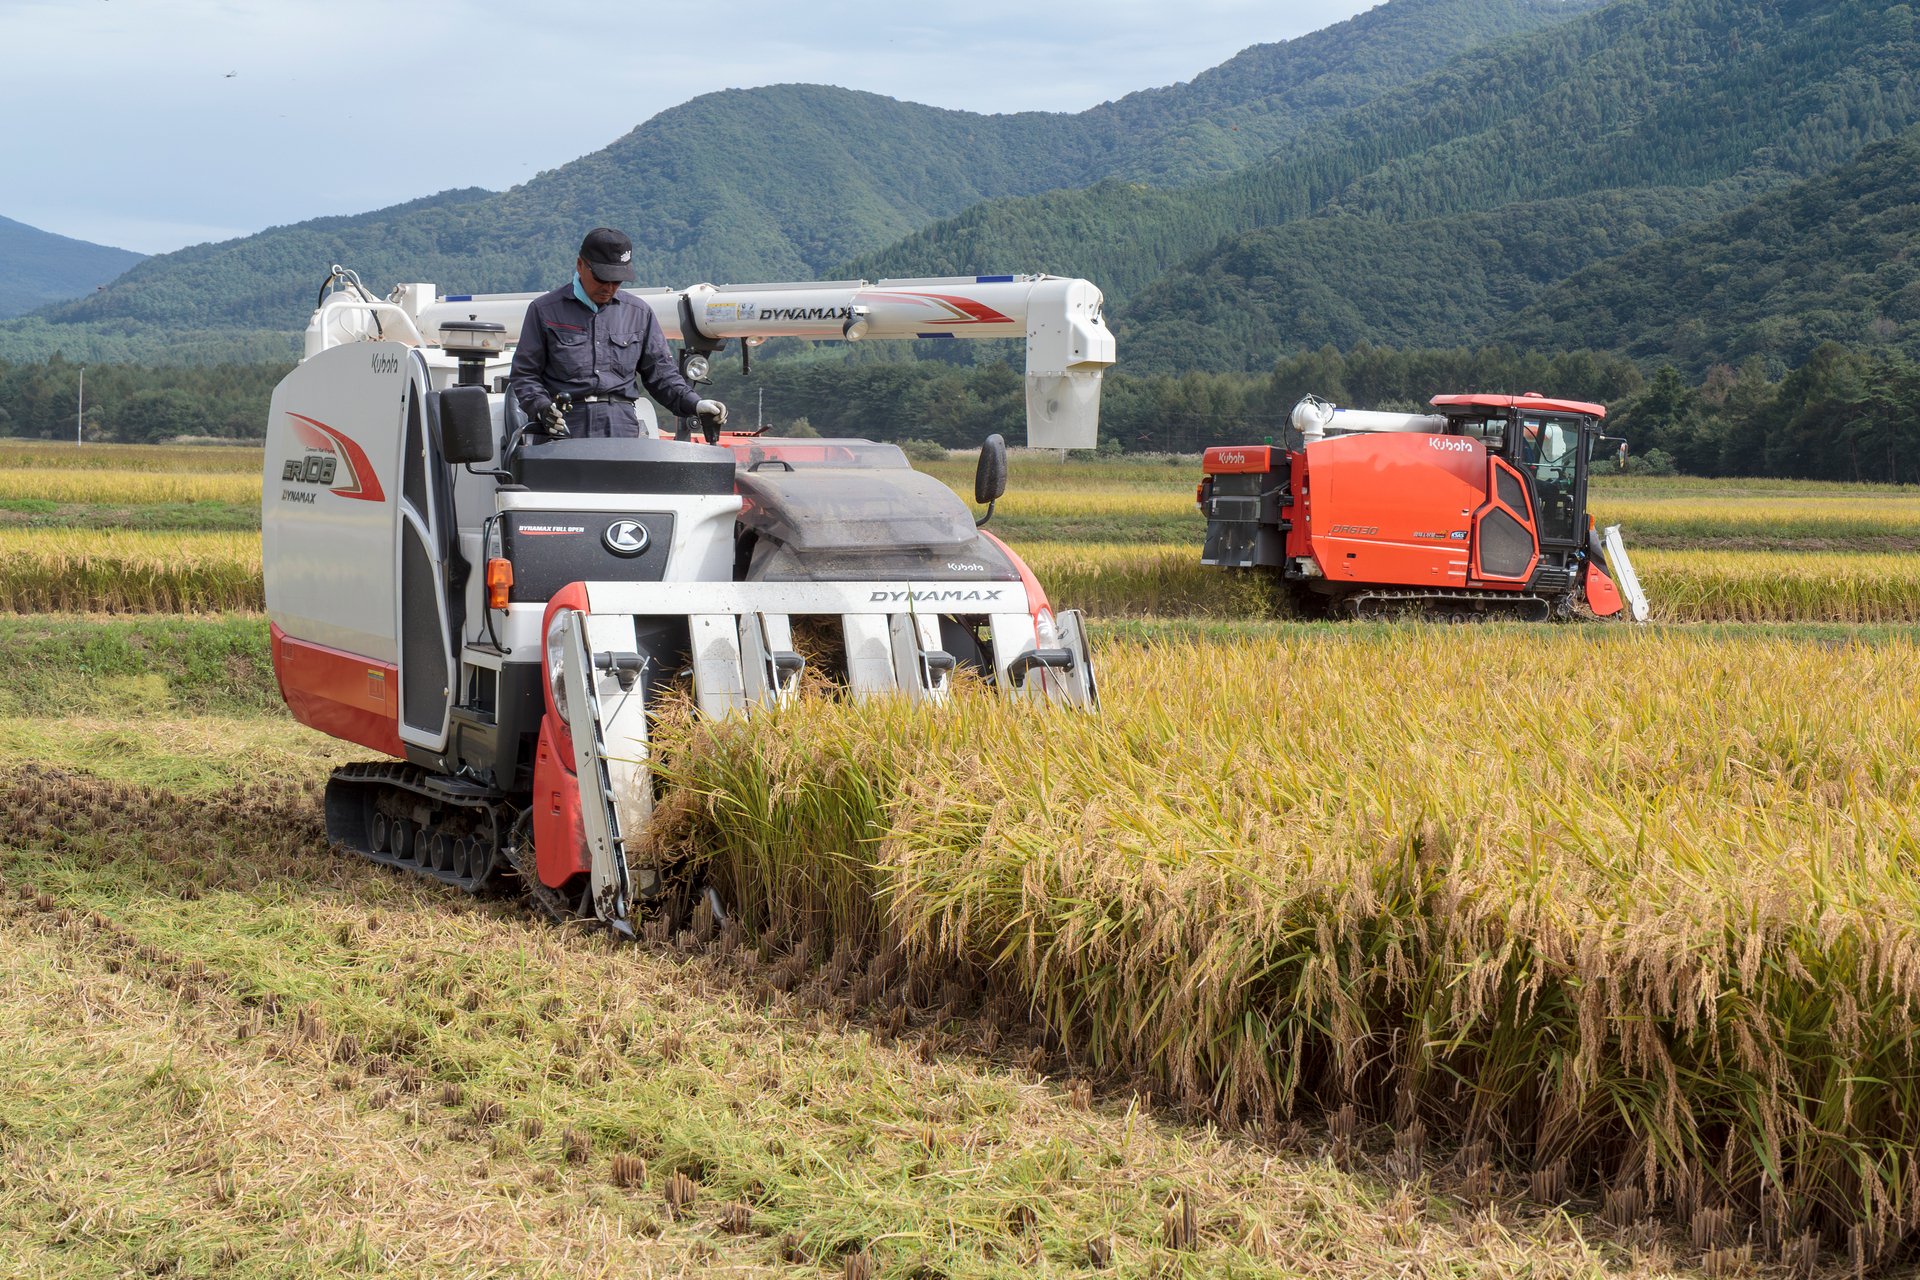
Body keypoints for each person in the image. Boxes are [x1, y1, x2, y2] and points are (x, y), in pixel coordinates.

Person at [508, 227, 727, 439]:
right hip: (563, 426)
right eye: (603, 278)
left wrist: (696, 403)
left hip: (620, 427)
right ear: (580, 265)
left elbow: (662, 374)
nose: (610, 288)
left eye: (617, 281)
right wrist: (543, 409)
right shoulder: (544, 310)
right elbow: (525, 375)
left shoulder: (640, 313)